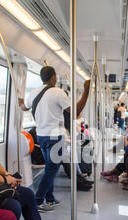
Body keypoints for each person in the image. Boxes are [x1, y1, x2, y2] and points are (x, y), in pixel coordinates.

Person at [25, 66, 90, 212]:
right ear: (53, 77)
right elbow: (75, 112)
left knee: (49, 166)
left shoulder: (33, 93)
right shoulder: (58, 92)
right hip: (55, 136)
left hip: (41, 136)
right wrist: (85, 92)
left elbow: (24, 107)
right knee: (52, 168)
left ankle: (50, 198)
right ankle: (38, 200)